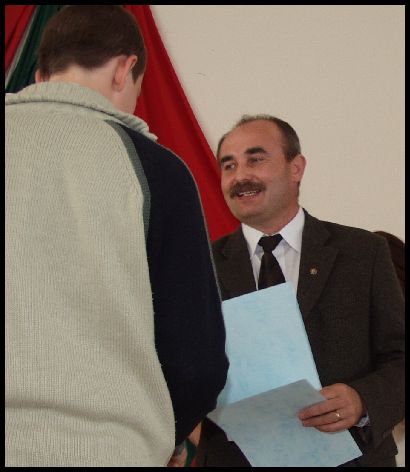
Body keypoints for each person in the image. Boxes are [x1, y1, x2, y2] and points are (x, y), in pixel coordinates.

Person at [5, 6, 228, 467]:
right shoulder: (157, 170)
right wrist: (160, 437)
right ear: (125, 69)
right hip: (104, 449)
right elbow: (197, 362)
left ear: (42, 75)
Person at [195, 114, 405, 467]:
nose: (240, 176)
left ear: (296, 168)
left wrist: (362, 400)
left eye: (255, 159)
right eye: (229, 165)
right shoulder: (198, 267)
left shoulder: (363, 253)